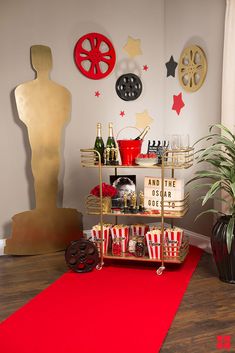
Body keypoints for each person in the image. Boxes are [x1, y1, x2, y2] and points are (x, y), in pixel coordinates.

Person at [14, 45, 71, 209]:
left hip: (43, 135)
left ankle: (47, 209)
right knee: (45, 167)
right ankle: (45, 209)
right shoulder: (62, 91)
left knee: (47, 168)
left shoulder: (23, 90)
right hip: (45, 135)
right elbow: (24, 116)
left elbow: (24, 115)